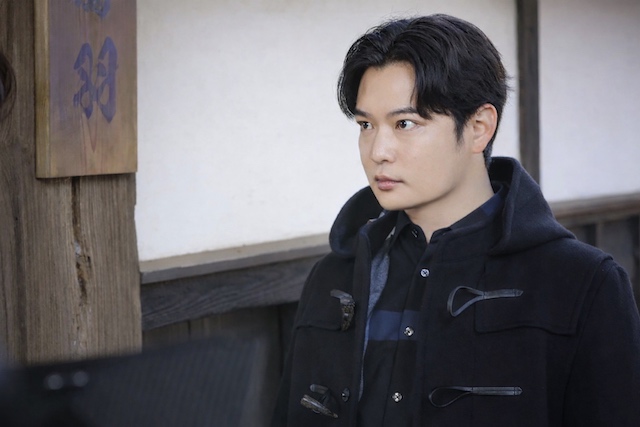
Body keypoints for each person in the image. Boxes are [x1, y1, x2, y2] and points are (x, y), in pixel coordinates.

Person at [271, 14, 640, 427]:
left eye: (405, 123)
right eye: (366, 125)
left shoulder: (582, 282)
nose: (378, 151)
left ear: (479, 127)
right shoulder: (335, 276)